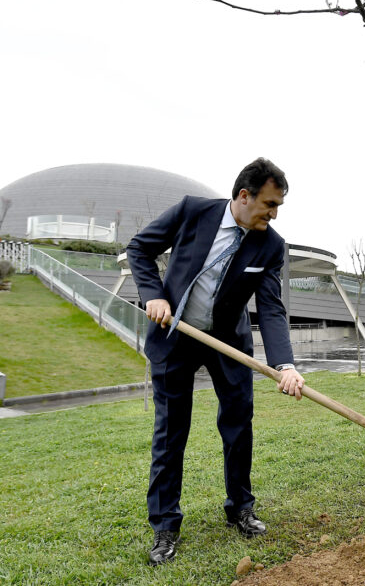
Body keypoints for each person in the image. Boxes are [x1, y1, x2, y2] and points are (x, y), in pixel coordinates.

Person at [126, 158, 305, 566]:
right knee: (171, 433)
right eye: (269, 204)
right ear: (244, 196)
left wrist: (285, 364)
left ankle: (240, 508)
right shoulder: (193, 211)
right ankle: (165, 527)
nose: (274, 214)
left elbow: (272, 309)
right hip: (176, 337)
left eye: (278, 206)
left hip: (229, 344)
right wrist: (153, 294)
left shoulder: (271, 245)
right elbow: (140, 247)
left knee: (239, 425)